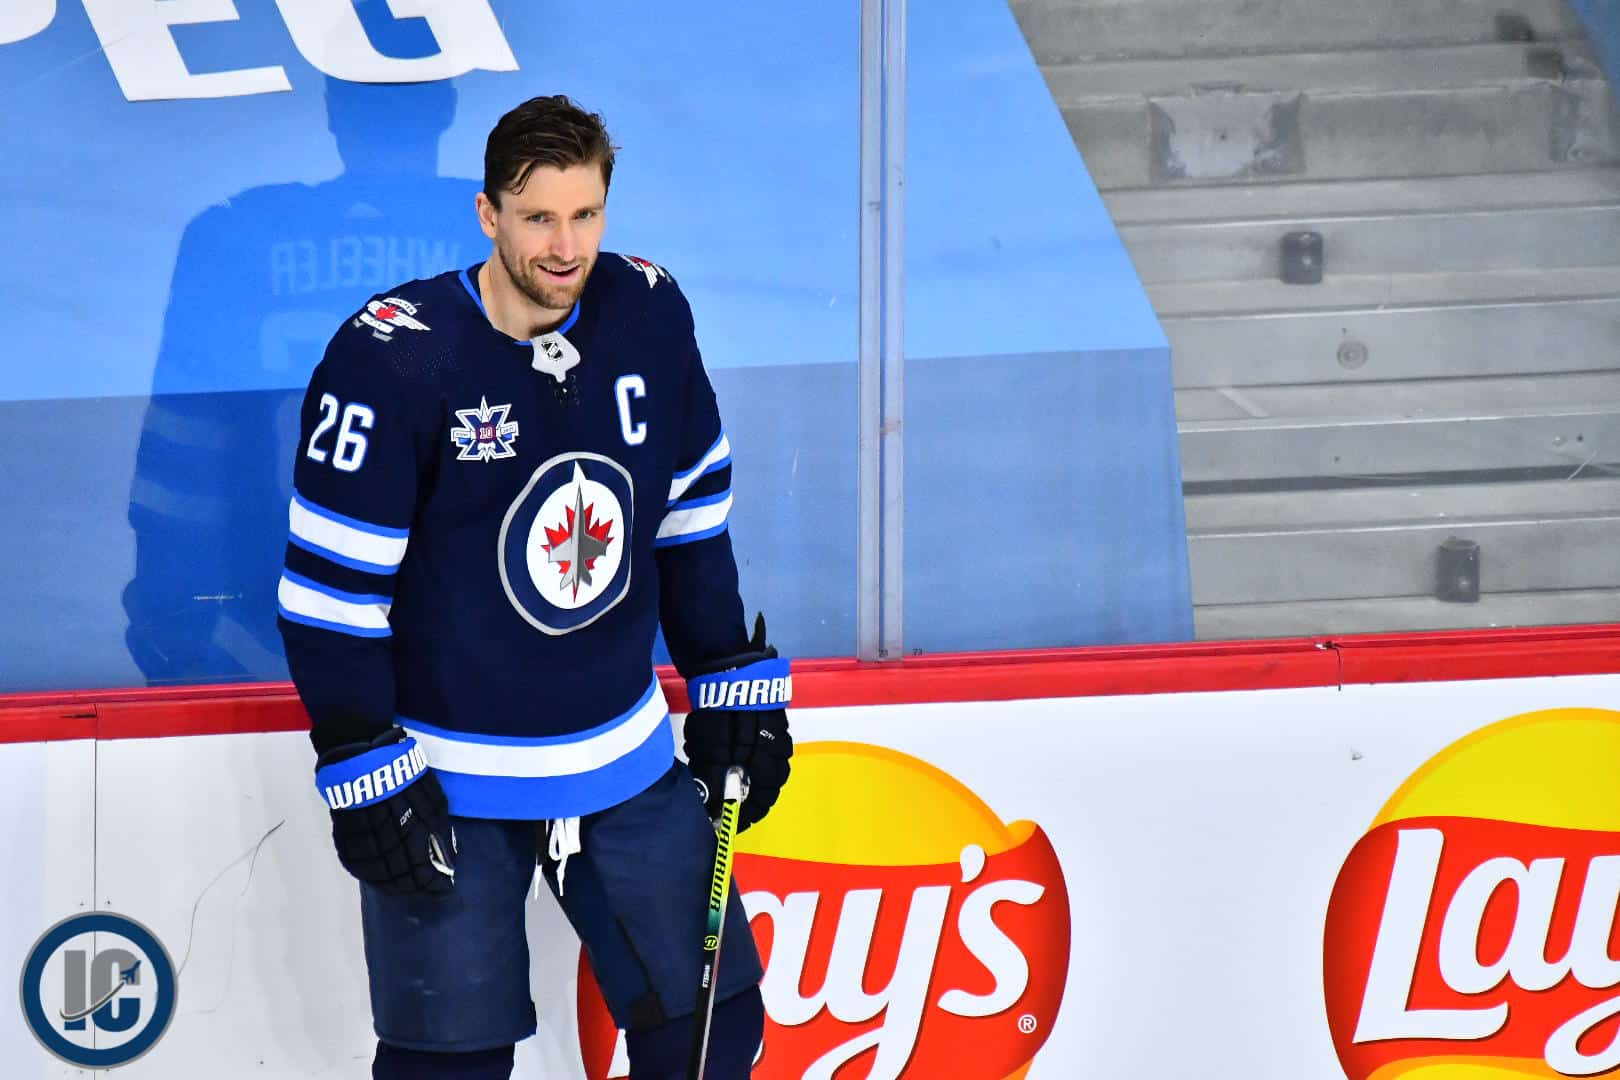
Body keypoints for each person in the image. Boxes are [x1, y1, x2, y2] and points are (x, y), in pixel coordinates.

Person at [277, 95, 793, 1080]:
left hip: (623, 754)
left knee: (713, 1038)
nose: (566, 246)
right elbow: (331, 594)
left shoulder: (647, 311)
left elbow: (687, 515)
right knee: (449, 1069)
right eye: (539, 218)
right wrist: (358, 757)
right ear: (488, 215)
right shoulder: (394, 358)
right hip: (448, 774)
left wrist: (726, 674)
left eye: (587, 215)